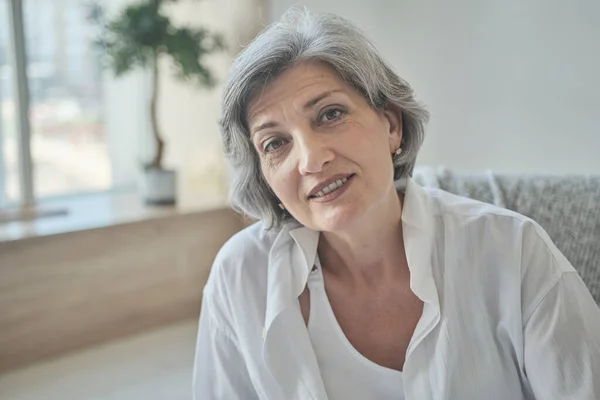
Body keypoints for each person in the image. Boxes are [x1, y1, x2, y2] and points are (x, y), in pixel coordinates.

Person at [193, 8, 600, 400]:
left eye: (330, 114)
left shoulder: (514, 252)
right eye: (276, 143)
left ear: (391, 124)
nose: (311, 159)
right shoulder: (239, 277)